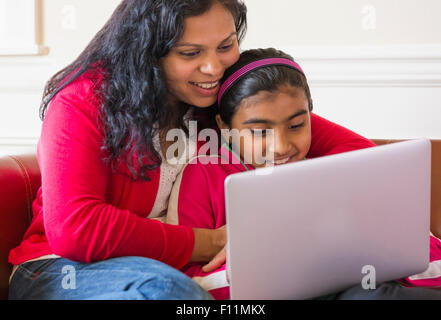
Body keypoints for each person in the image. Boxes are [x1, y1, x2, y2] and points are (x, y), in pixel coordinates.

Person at [9, 0, 377, 300]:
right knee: (168, 292)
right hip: (64, 267)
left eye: (226, 46)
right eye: (190, 52)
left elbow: (361, 160)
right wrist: (216, 240)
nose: (213, 68)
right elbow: (76, 229)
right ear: (147, 53)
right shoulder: (83, 101)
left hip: (173, 267)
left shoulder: (214, 100)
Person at [166, 48, 441, 300]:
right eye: (260, 131)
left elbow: (424, 254)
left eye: (297, 125)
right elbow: (186, 281)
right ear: (224, 126)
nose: (282, 147)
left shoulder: (331, 172)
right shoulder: (202, 174)